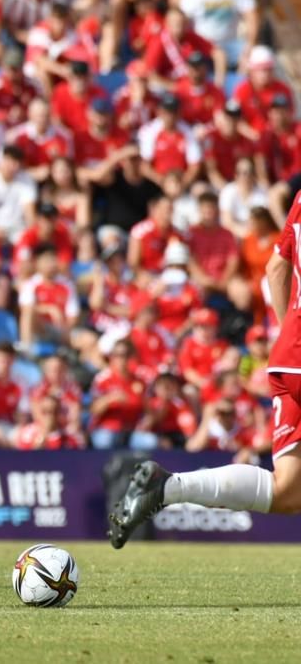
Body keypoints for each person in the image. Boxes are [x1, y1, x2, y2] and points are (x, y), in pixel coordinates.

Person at [108, 189, 301, 549]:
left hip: (288, 356)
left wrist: (289, 333)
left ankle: (166, 488)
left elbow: (276, 269)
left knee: (288, 490)